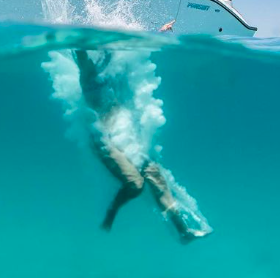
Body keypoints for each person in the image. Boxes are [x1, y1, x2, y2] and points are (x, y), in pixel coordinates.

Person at [73, 49, 210, 244]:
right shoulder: (87, 73)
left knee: (156, 178)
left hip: (124, 132)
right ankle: (111, 211)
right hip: (103, 139)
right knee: (135, 185)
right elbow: (81, 53)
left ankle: (183, 231)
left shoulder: (106, 65)